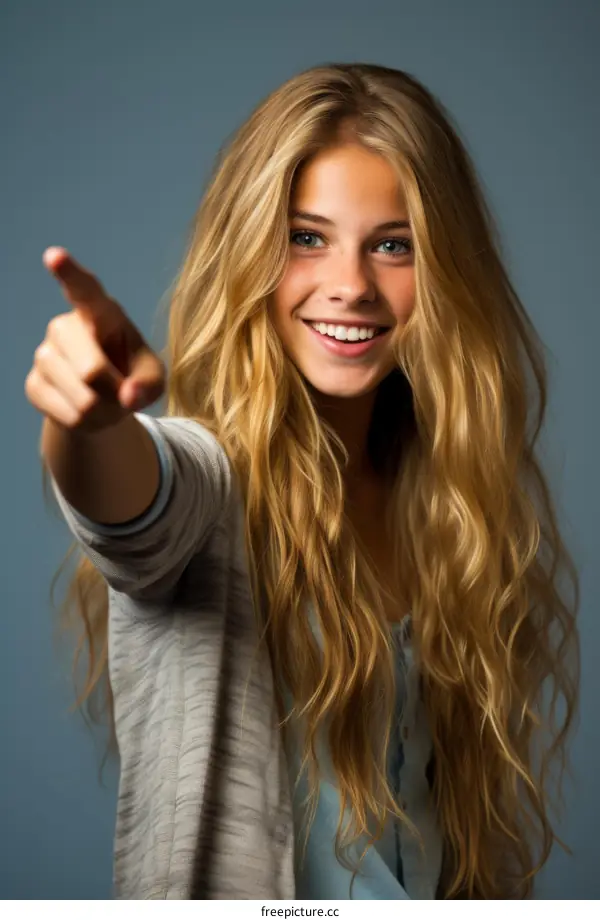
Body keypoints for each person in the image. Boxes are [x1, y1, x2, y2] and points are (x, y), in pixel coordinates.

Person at [25, 62, 579, 900]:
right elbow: (132, 506)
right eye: (306, 237)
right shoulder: (213, 491)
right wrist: (89, 417)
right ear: (247, 249)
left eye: (394, 245)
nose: (350, 285)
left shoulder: (451, 515)